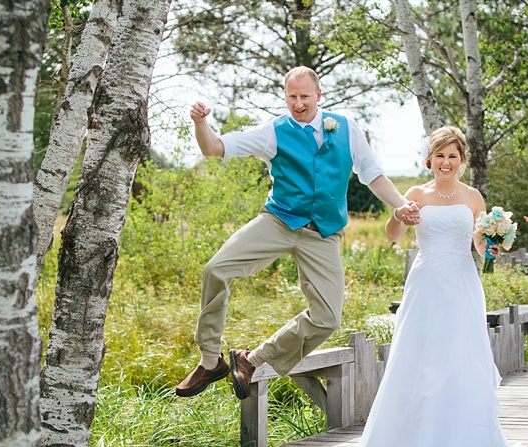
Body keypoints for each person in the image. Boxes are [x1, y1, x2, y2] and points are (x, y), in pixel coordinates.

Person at [176, 66, 416, 399]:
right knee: (216, 269)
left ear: (319, 96)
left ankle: (252, 359)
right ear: (285, 96)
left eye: (305, 96)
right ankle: (209, 359)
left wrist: (401, 205)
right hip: (279, 221)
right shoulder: (273, 131)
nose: (298, 103)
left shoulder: (346, 128)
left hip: (323, 232)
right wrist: (200, 123)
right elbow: (213, 148)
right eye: (292, 96)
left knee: (328, 318)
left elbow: (373, 175)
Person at [357, 126, 526, 447]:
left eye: (453, 156)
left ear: (461, 161)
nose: (445, 162)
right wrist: (398, 215)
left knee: (459, 359)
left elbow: (479, 246)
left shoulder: (473, 197)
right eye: (440, 156)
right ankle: (412, 444)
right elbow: (392, 235)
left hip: (462, 283)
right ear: (429, 159)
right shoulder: (416, 193)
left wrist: (492, 249)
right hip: (425, 283)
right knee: (420, 358)